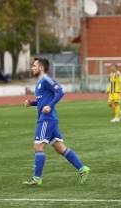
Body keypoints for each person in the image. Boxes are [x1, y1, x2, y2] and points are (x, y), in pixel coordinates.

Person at [23, 58, 90, 186]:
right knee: (60, 148)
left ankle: (37, 178)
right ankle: (83, 169)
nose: (32, 68)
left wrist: (50, 105)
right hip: (50, 119)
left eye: (34, 66)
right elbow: (43, 101)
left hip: (46, 119)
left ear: (41, 67)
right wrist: (32, 103)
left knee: (38, 146)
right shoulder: (39, 83)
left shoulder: (47, 80)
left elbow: (60, 91)